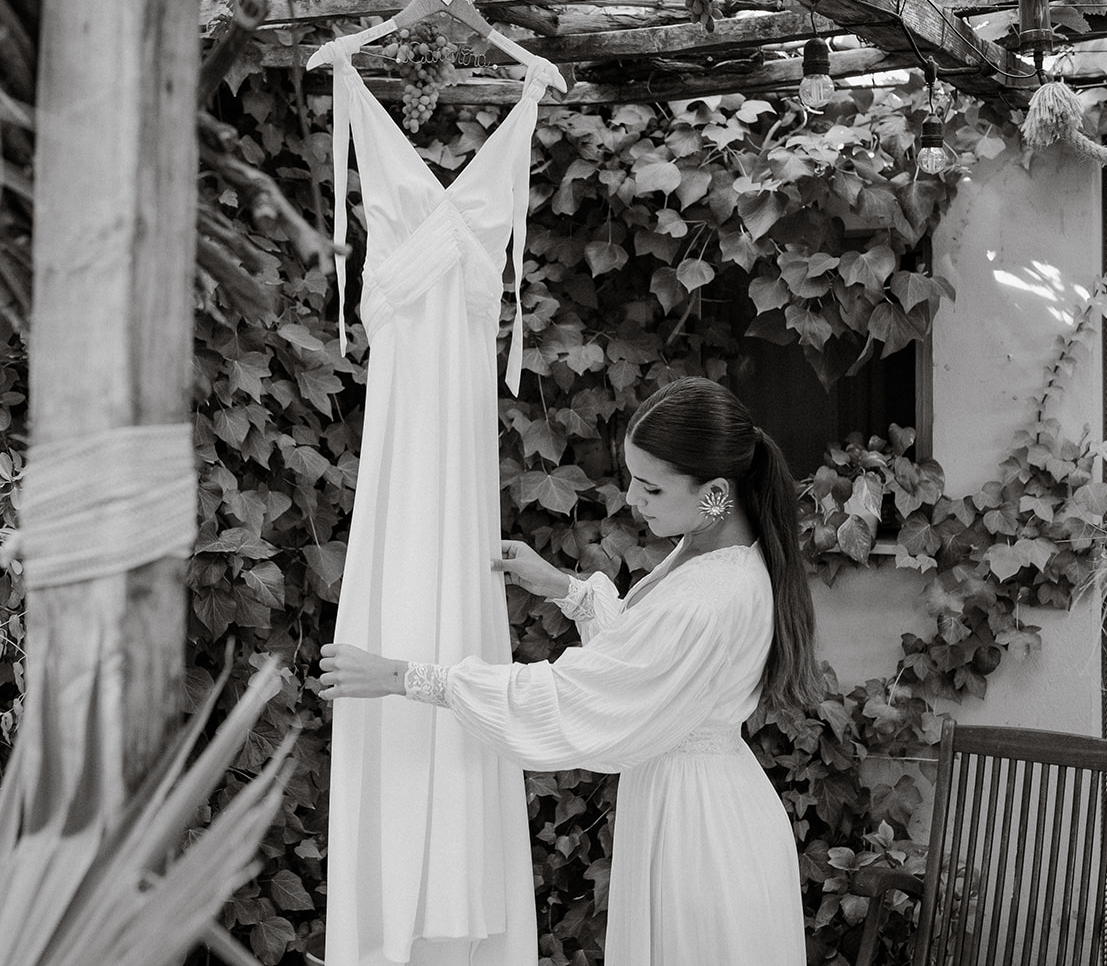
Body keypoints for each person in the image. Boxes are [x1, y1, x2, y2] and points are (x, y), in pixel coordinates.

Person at [319, 376, 820, 966]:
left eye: (652, 488)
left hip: (697, 833)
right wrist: (565, 589)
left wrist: (406, 676)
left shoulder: (708, 597)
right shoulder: (721, 549)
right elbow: (646, 670)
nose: (632, 498)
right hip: (707, 802)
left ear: (714, 491)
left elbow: (578, 696)